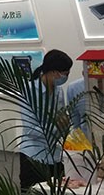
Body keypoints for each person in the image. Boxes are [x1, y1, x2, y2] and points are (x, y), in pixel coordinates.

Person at [20, 49, 73, 190]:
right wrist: (57, 127)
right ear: (54, 72)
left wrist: (65, 125)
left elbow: (62, 118)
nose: (65, 78)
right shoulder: (29, 91)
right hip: (33, 156)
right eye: (65, 74)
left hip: (55, 155)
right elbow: (30, 129)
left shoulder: (58, 91)